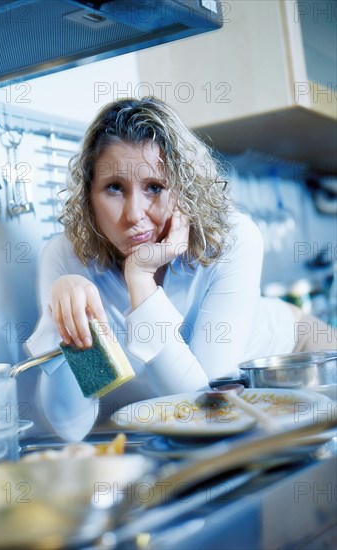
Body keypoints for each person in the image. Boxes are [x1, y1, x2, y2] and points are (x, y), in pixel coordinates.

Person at [25, 97, 336, 441]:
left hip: (296, 357)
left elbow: (205, 403)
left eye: (154, 187)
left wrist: (140, 280)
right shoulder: (68, 260)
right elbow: (70, 426)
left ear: (185, 190)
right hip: (215, 413)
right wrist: (63, 326)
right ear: (88, 195)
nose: (133, 214)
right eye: (114, 188)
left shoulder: (232, 237)